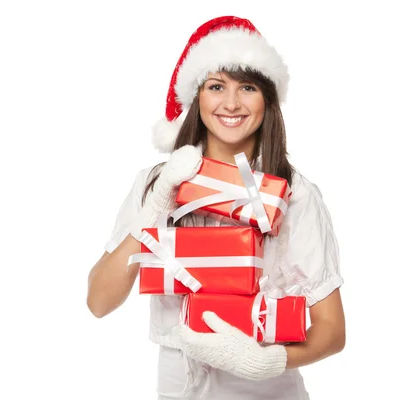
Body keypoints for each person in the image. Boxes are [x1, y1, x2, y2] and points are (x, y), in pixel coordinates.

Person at [87, 16, 345, 400]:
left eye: (247, 87)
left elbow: (333, 330)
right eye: (216, 86)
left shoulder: (295, 194)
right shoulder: (154, 182)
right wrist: (153, 208)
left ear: (267, 99)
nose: (231, 103)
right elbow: (98, 302)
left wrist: (270, 360)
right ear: (197, 97)